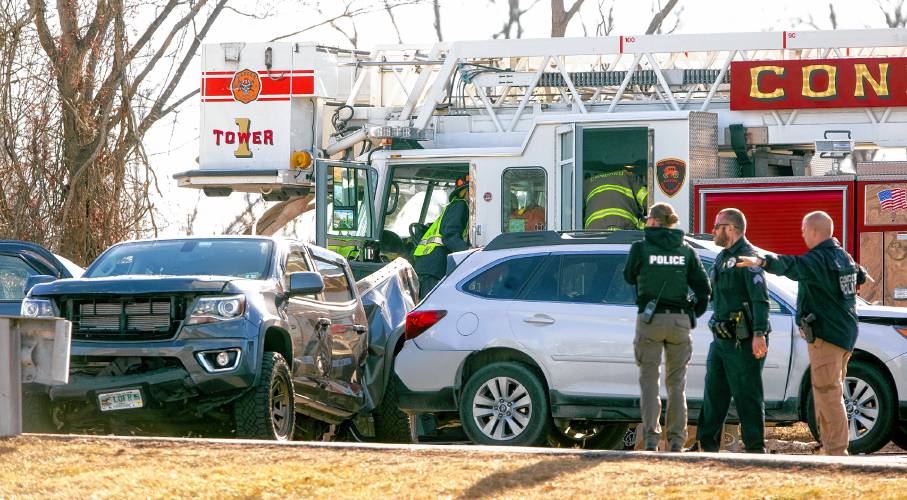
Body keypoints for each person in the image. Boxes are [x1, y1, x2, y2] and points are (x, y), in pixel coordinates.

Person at [736, 211, 869, 455]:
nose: (802, 234)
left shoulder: (819, 259)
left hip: (827, 336)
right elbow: (861, 275)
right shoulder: (843, 256)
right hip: (844, 335)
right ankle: (830, 446)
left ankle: (836, 450)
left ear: (815, 231)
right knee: (830, 390)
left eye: (804, 230)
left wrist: (761, 261)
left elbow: (792, 265)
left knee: (828, 392)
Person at [623, 202, 711, 452]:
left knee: (649, 381)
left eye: (648, 219)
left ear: (654, 221)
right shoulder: (686, 250)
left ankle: (651, 439)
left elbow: (628, 276)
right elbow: (704, 289)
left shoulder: (640, 248)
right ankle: (676, 442)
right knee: (677, 384)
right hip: (679, 321)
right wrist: (693, 313)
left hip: (650, 321)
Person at [693, 208, 771, 453]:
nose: (713, 231)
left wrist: (759, 334)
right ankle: (706, 447)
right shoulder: (722, 257)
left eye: (717, 226)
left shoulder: (748, 258)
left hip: (743, 339)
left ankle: (755, 450)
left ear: (731, 228)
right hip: (721, 339)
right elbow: (712, 292)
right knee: (713, 394)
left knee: (747, 395)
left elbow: (760, 299)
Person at [412, 176, 470, 298]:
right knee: (431, 305)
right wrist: (469, 252)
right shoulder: (461, 205)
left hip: (427, 264)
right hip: (434, 267)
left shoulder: (453, 206)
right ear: (466, 192)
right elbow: (449, 236)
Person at [583, 165, 647, 230]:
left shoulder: (587, 183)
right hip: (623, 226)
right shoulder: (628, 176)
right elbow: (646, 199)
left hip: (593, 230)